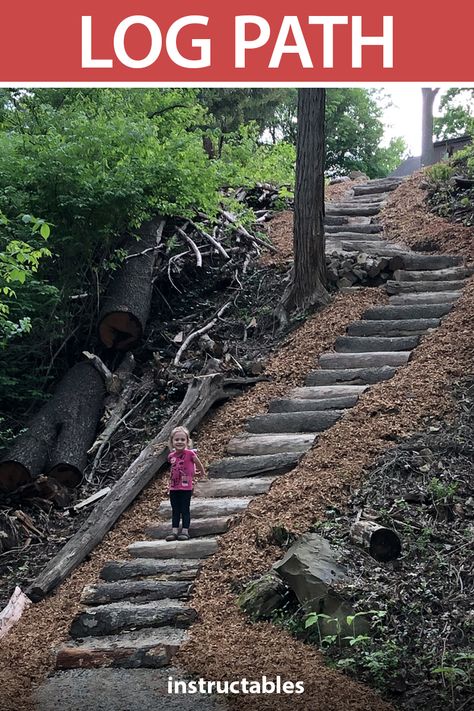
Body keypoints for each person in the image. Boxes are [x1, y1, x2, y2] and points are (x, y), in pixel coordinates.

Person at [166, 425, 206, 541]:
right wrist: (169, 485)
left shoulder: (190, 454)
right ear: (172, 442)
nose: (179, 442)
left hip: (186, 487)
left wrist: (201, 472)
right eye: (177, 439)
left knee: (184, 509)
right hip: (174, 487)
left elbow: (197, 463)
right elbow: (174, 470)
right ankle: (174, 531)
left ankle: (185, 531)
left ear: (187, 441)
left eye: (182, 439)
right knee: (175, 510)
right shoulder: (171, 456)